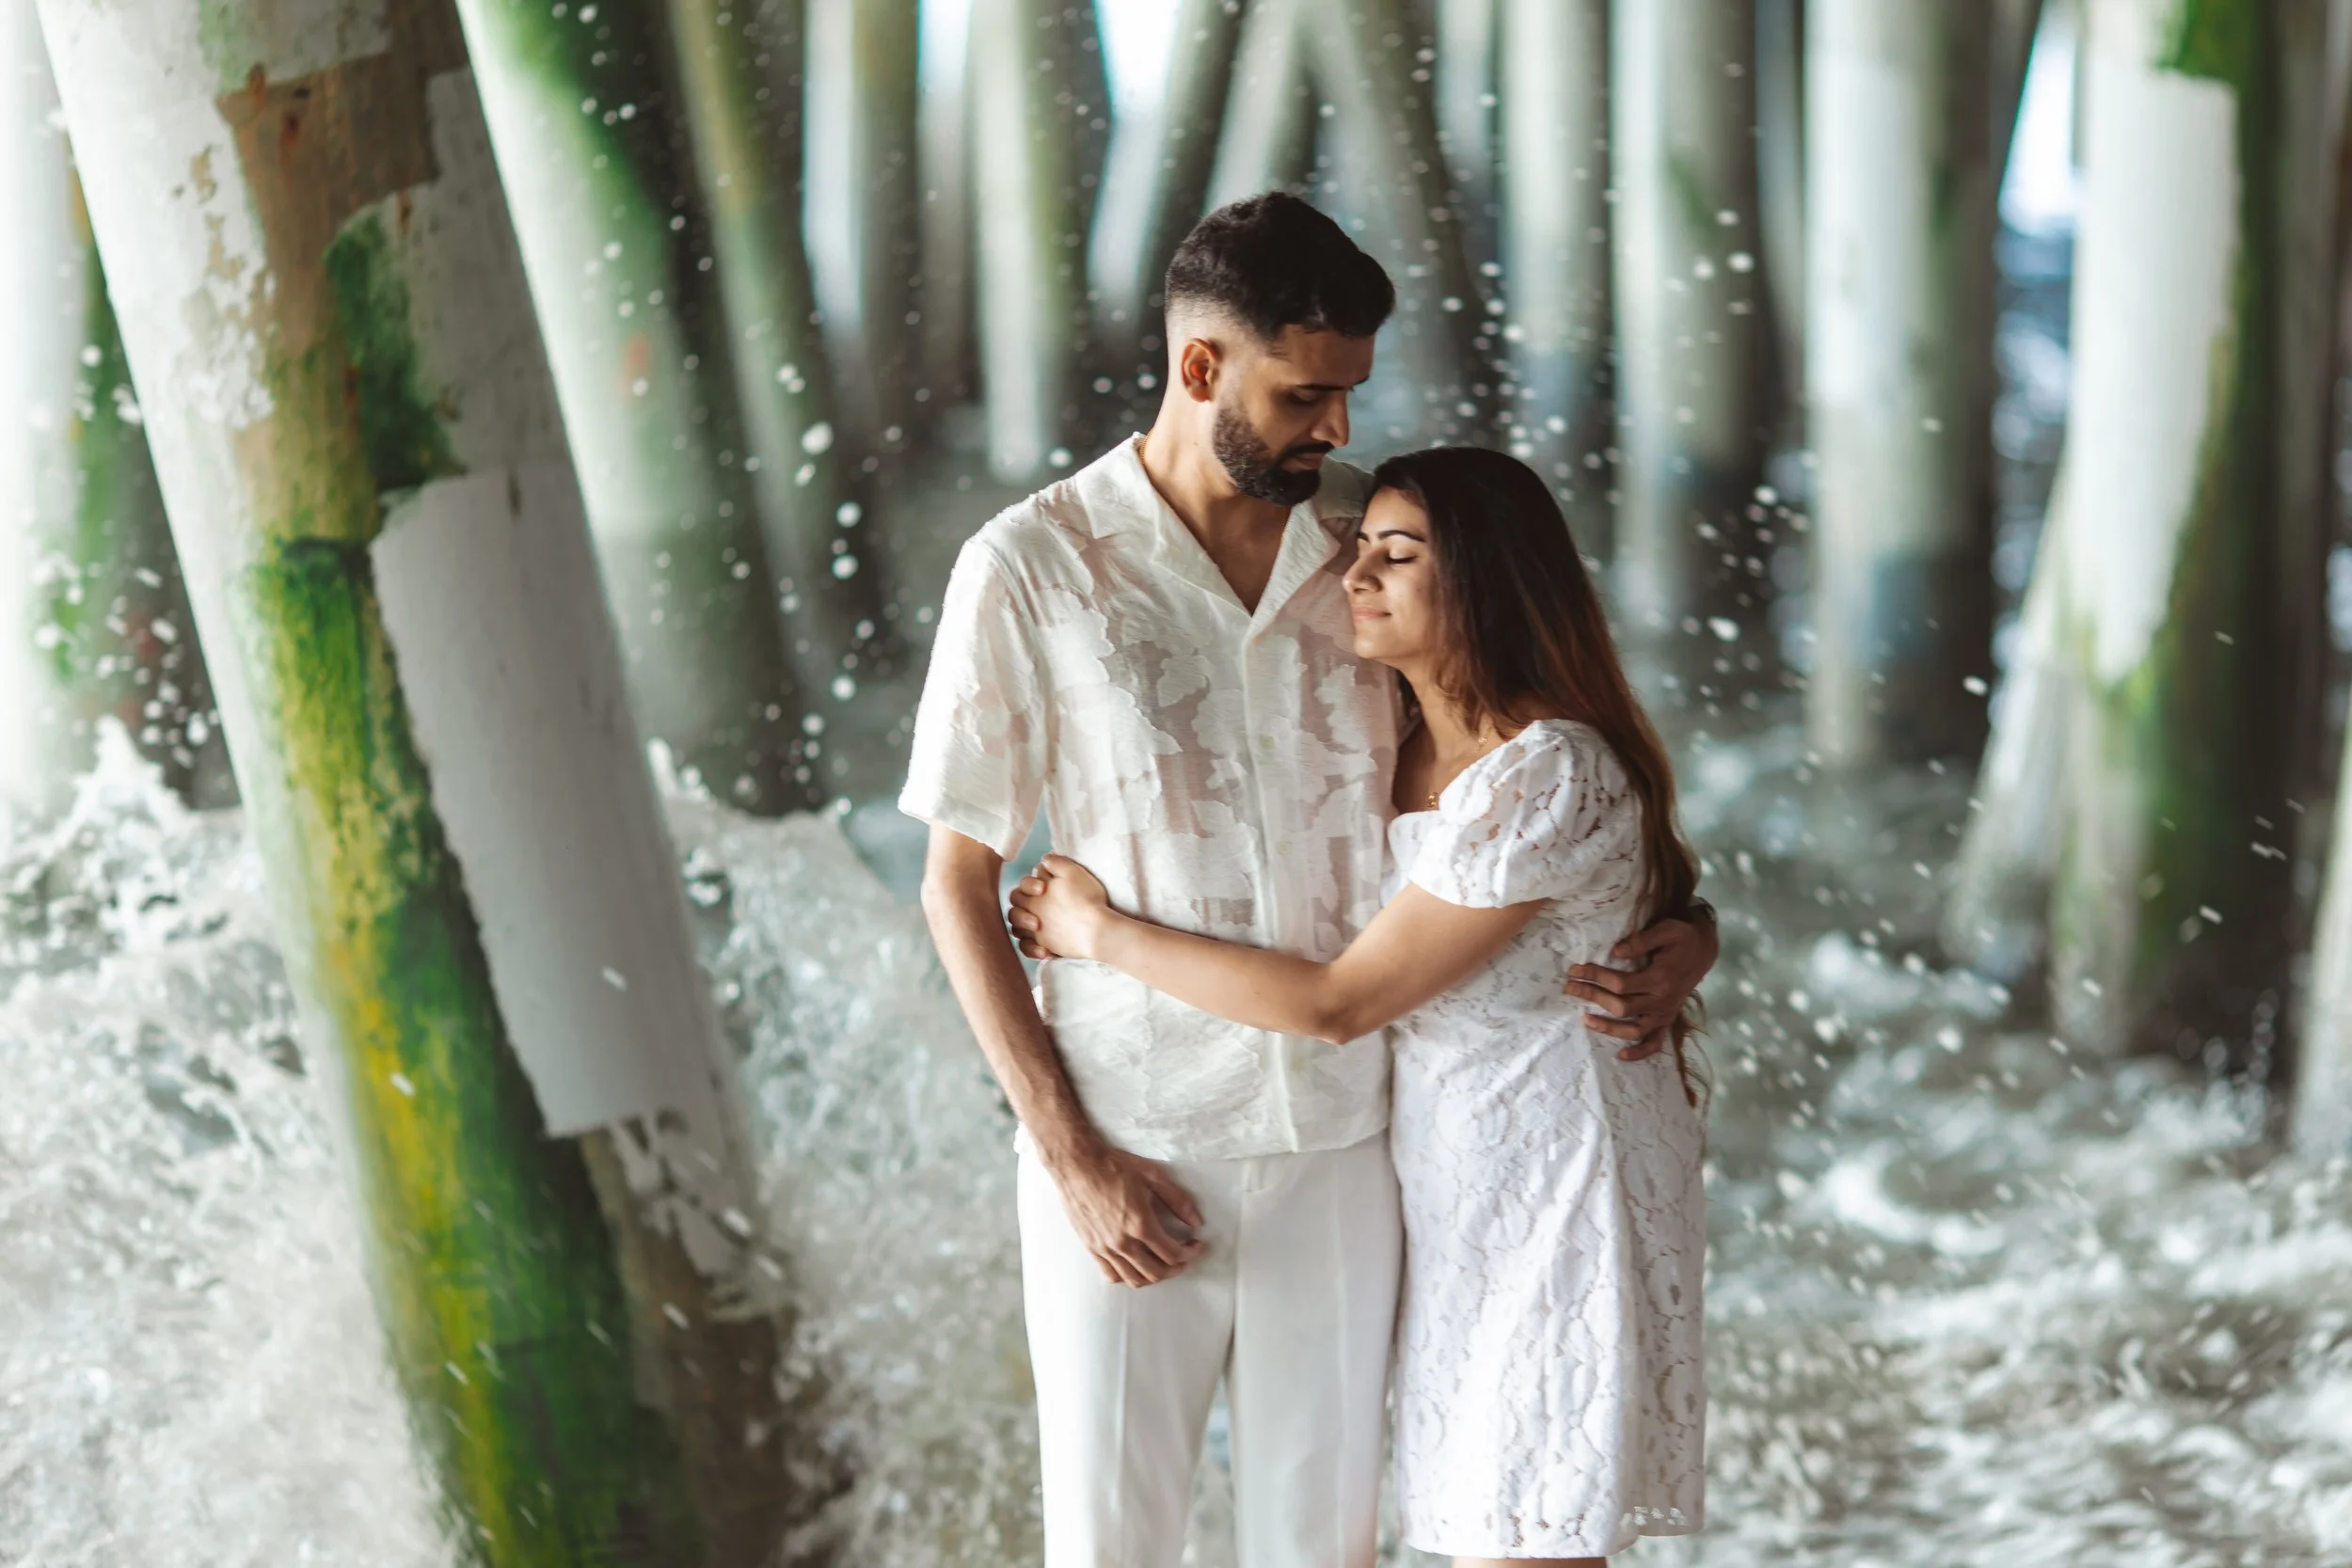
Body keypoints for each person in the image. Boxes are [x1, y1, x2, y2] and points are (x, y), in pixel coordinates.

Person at [900, 192, 1715, 1567]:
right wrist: (1072, 1156)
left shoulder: (1371, 545)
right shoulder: (1029, 569)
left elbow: (1524, 765)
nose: (1336, 427)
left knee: (1324, 1551)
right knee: (1108, 1548)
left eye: (1349, 394)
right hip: (1135, 1134)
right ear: (1200, 365)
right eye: (1304, 395)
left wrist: (1681, 924)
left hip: (1352, 1144)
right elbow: (955, 881)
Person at [1008, 445, 1708, 1565]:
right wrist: (1696, 929)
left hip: (1553, 1183)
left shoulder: (1546, 771)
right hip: (1453, 1183)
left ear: (1486, 577)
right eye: (1361, 546)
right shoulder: (1402, 730)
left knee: (1525, 1531)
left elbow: (1342, 1002)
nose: (1357, 575)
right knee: (1480, 1519)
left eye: (1400, 554)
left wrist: (1100, 933)